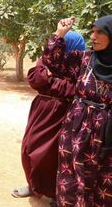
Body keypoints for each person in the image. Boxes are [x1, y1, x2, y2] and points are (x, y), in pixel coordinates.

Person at [42, 15, 112, 206]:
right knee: (71, 175)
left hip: (106, 134)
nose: (93, 36)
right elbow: (52, 63)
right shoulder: (85, 59)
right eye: (92, 31)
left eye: (100, 32)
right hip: (76, 127)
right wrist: (60, 33)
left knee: (102, 180)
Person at [12, 32, 85, 202]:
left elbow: (76, 90)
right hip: (42, 110)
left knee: (54, 155)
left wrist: (50, 81)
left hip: (64, 112)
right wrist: (48, 79)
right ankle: (33, 185)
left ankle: (56, 193)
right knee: (29, 148)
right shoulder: (48, 58)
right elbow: (34, 79)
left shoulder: (82, 64)